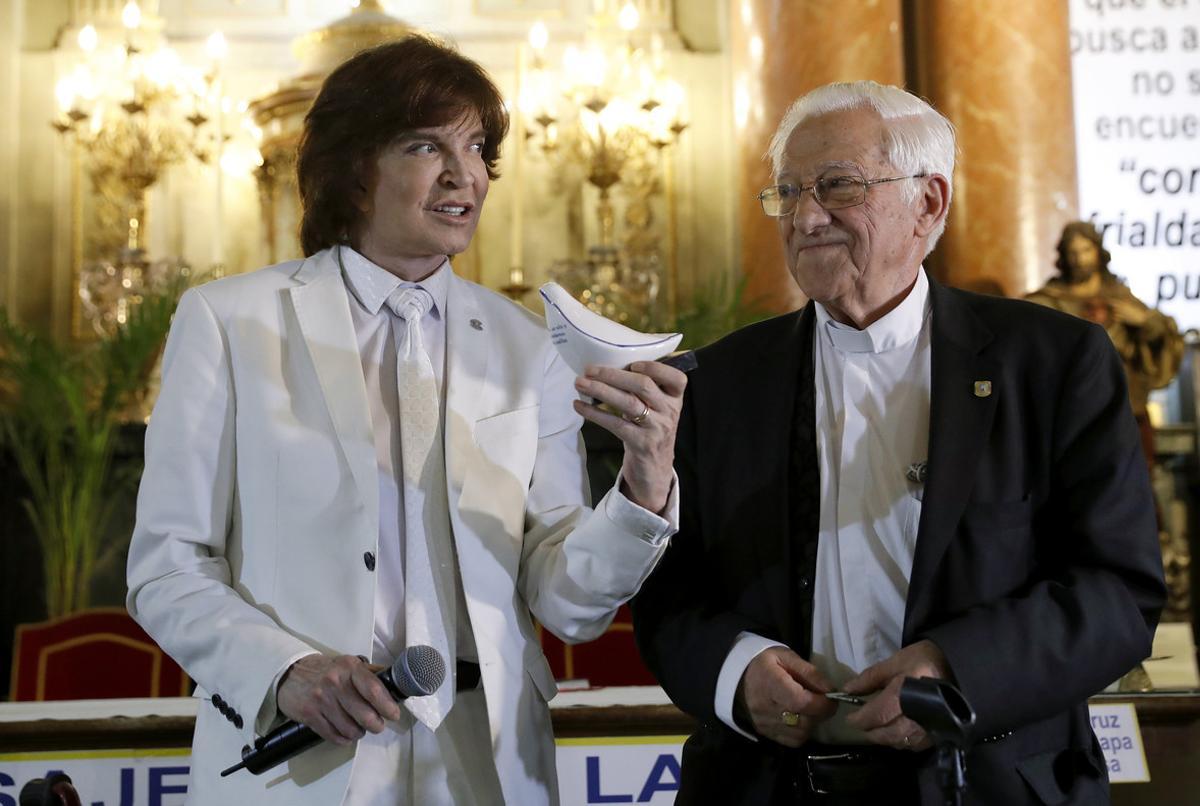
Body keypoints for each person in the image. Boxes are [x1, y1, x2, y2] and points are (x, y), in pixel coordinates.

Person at [126, 36, 685, 806]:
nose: (466, 175)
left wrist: (642, 490)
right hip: (304, 760)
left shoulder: (530, 347)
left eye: (478, 148)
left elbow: (566, 600)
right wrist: (285, 670)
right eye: (427, 145)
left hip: (488, 764)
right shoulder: (228, 321)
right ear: (354, 168)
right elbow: (168, 566)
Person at [632, 81, 1165, 805]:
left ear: (929, 202)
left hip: (989, 783)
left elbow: (1116, 593)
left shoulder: (1051, 363)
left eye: (837, 186)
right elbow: (668, 588)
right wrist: (735, 672)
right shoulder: (718, 380)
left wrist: (957, 670)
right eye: (787, 192)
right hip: (769, 784)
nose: (805, 216)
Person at [1026, 220, 1183, 466]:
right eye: (1073, 252)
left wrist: (1145, 321)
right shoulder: (1050, 301)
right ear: (1064, 256)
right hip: (1076, 413)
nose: (1079, 259)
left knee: (1135, 486)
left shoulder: (1120, 297)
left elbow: (1162, 340)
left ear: (1098, 252)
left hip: (1128, 410)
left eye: (1086, 250)